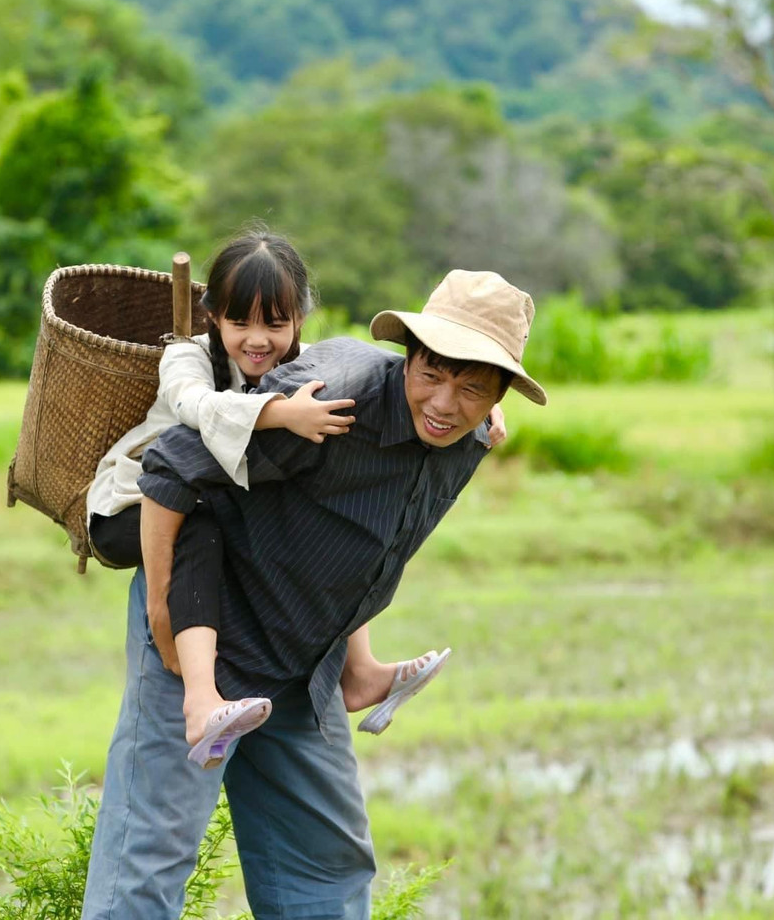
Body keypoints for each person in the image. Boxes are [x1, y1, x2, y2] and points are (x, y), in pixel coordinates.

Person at [81, 268, 546, 919]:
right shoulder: (333, 400)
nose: (445, 402)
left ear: (501, 392)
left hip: (303, 660)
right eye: (433, 375)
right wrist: (161, 612)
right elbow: (170, 468)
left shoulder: (470, 434)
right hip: (204, 630)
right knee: (148, 867)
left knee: (327, 869)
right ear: (408, 355)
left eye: (472, 386)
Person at [84, 230, 466, 767]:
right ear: (213, 316)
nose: (258, 340)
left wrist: (475, 399)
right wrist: (281, 413)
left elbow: (384, 373)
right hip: (137, 505)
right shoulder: (188, 358)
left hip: (217, 499)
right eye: (240, 323)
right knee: (201, 526)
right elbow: (193, 410)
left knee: (325, 515)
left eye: (275, 324)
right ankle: (199, 700)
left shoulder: (306, 365)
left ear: (299, 319)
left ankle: (362, 673)